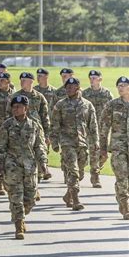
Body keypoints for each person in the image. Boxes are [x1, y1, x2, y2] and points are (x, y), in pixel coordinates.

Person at [0, 95, 47, 240]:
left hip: (30, 168)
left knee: (30, 199)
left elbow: (39, 146)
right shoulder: (7, 125)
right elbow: (0, 147)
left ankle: (21, 215)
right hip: (12, 167)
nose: (15, 109)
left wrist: (43, 164)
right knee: (16, 197)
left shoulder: (34, 125)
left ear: (26, 108)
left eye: (19, 107)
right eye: (13, 107)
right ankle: (18, 224)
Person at [50, 78, 99, 211]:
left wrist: (96, 142)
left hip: (82, 142)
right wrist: (54, 142)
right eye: (67, 87)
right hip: (67, 142)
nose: (69, 89)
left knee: (81, 172)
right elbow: (54, 124)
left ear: (78, 87)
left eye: (72, 86)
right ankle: (75, 199)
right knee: (74, 171)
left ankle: (67, 195)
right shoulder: (60, 105)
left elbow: (93, 125)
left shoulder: (87, 105)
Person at [99, 76, 129, 220]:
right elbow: (104, 128)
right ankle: (125, 207)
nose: (120, 87)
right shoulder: (112, 105)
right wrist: (103, 149)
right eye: (118, 85)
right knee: (122, 176)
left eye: (123, 85)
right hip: (119, 148)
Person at [82, 70, 113, 188]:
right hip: (89, 129)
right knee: (93, 152)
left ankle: (95, 168)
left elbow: (112, 110)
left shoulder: (107, 94)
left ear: (100, 79)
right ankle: (95, 176)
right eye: (90, 77)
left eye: (94, 78)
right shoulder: (85, 94)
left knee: (104, 155)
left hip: (103, 128)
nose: (92, 79)